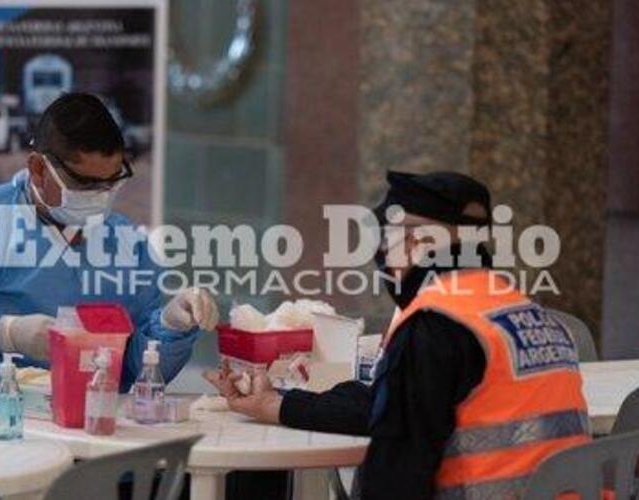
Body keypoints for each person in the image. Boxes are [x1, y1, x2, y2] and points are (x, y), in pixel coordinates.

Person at [207, 171, 590, 500]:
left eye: (386, 240)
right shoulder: (530, 317)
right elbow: (386, 408)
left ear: (415, 243)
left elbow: (394, 479)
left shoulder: (437, 327)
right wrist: (273, 404)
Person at [0, 93, 219, 422]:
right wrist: (4, 333)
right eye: (84, 183)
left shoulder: (125, 242)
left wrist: (169, 326)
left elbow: (132, 371)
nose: (99, 197)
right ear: (38, 168)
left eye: (111, 182)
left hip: (82, 438)